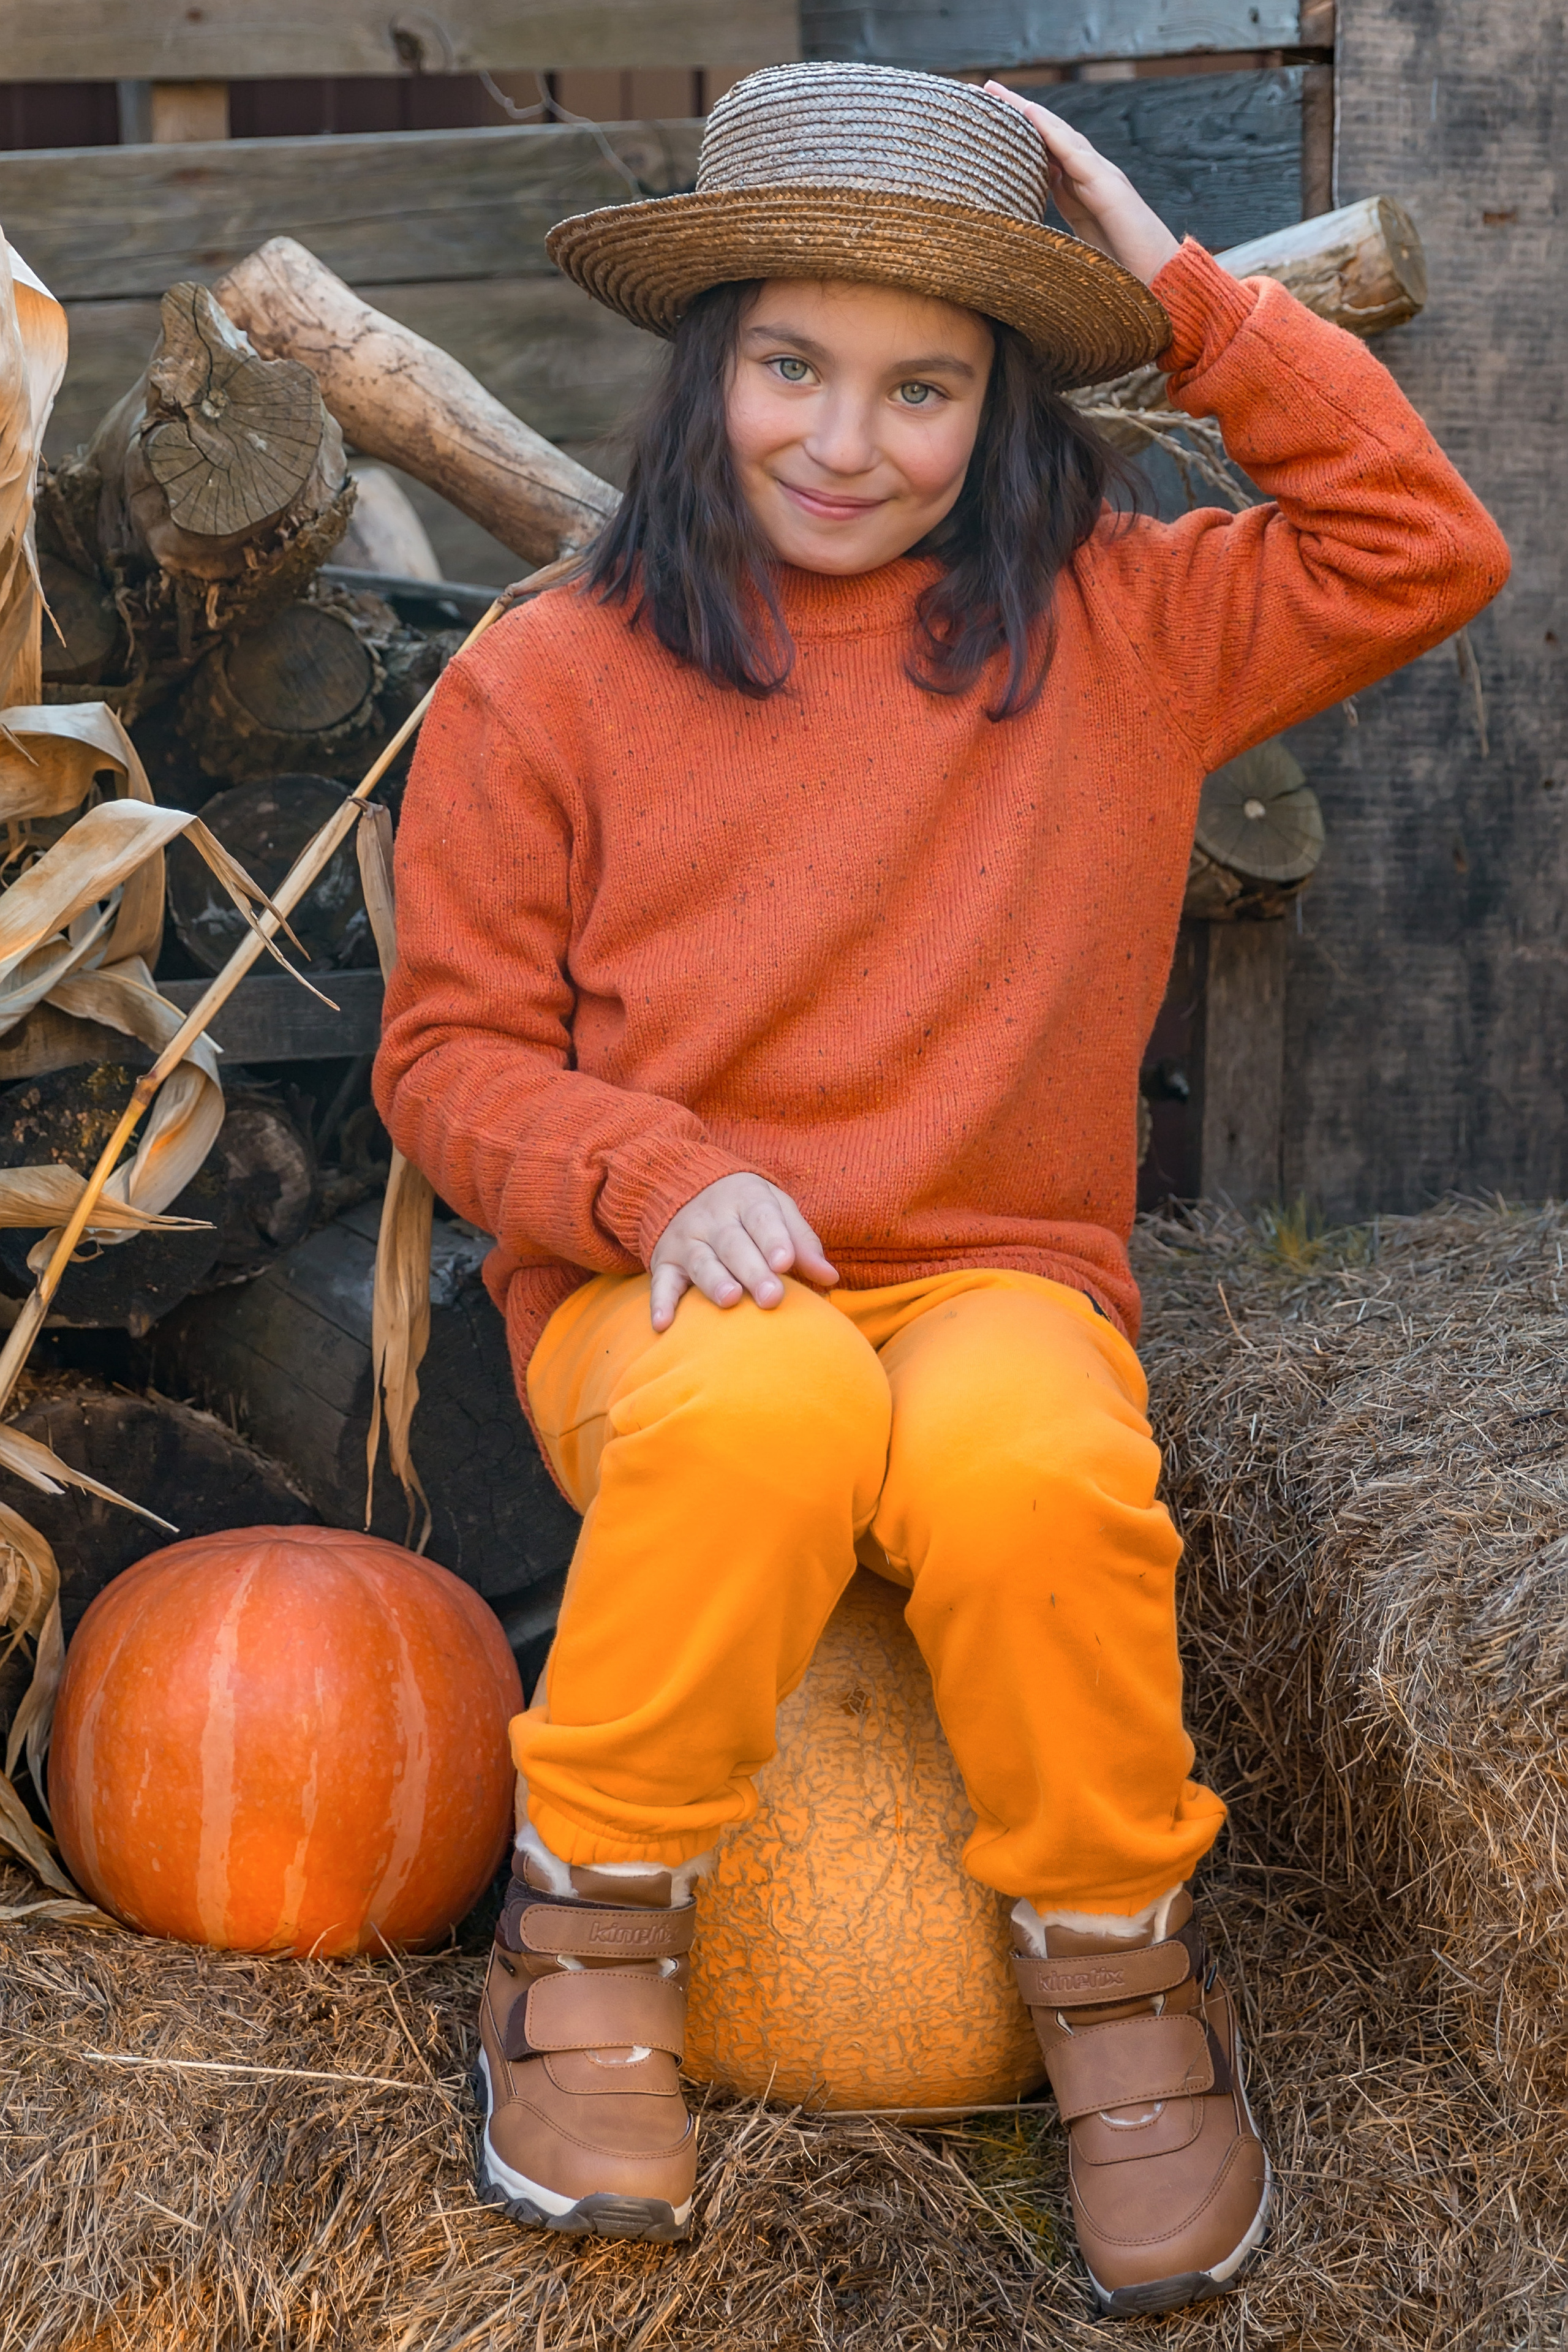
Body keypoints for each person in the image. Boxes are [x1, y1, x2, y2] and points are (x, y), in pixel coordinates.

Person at [374, 61, 1507, 2316]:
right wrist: (650, 1173)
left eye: (925, 388)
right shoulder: (553, 680)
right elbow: (452, 1059)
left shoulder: (1124, 632)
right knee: (766, 1415)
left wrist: (1186, 300)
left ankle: (1117, 2004)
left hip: (996, 1274)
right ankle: (586, 1941)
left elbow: (1421, 546)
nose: (843, 438)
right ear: (710, 373)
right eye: (792, 366)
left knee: (1033, 1464)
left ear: (1001, 415)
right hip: (661, 1294)